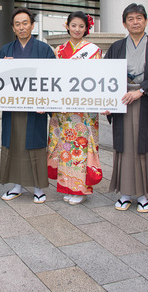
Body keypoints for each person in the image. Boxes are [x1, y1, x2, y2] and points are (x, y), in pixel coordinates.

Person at [103, 4, 148, 213]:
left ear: (146, 21)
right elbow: (106, 75)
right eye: (130, 19)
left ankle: (142, 194)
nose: (135, 22)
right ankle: (125, 193)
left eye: (139, 18)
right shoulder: (116, 47)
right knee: (124, 146)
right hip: (122, 100)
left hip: (146, 100)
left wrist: (140, 91)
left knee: (144, 147)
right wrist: (107, 101)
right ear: (124, 23)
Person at [0, 8, 55, 204]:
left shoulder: (44, 50)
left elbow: (53, 78)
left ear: (32, 25)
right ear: (13, 28)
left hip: (34, 109)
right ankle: (17, 185)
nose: (21, 27)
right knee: (14, 144)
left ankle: (38, 187)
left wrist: (45, 103)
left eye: (25, 23)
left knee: (34, 145)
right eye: (17, 24)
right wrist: (2, 66)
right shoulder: (5, 51)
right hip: (12, 108)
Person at [47, 11, 101, 205]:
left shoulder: (93, 50)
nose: (77, 29)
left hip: (83, 108)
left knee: (81, 146)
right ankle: (67, 186)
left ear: (86, 29)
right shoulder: (59, 51)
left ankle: (79, 189)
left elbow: (97, 79)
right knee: (65, 147)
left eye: (81, 26)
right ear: (67, 26)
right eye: (74, 25)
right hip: (64, 108)